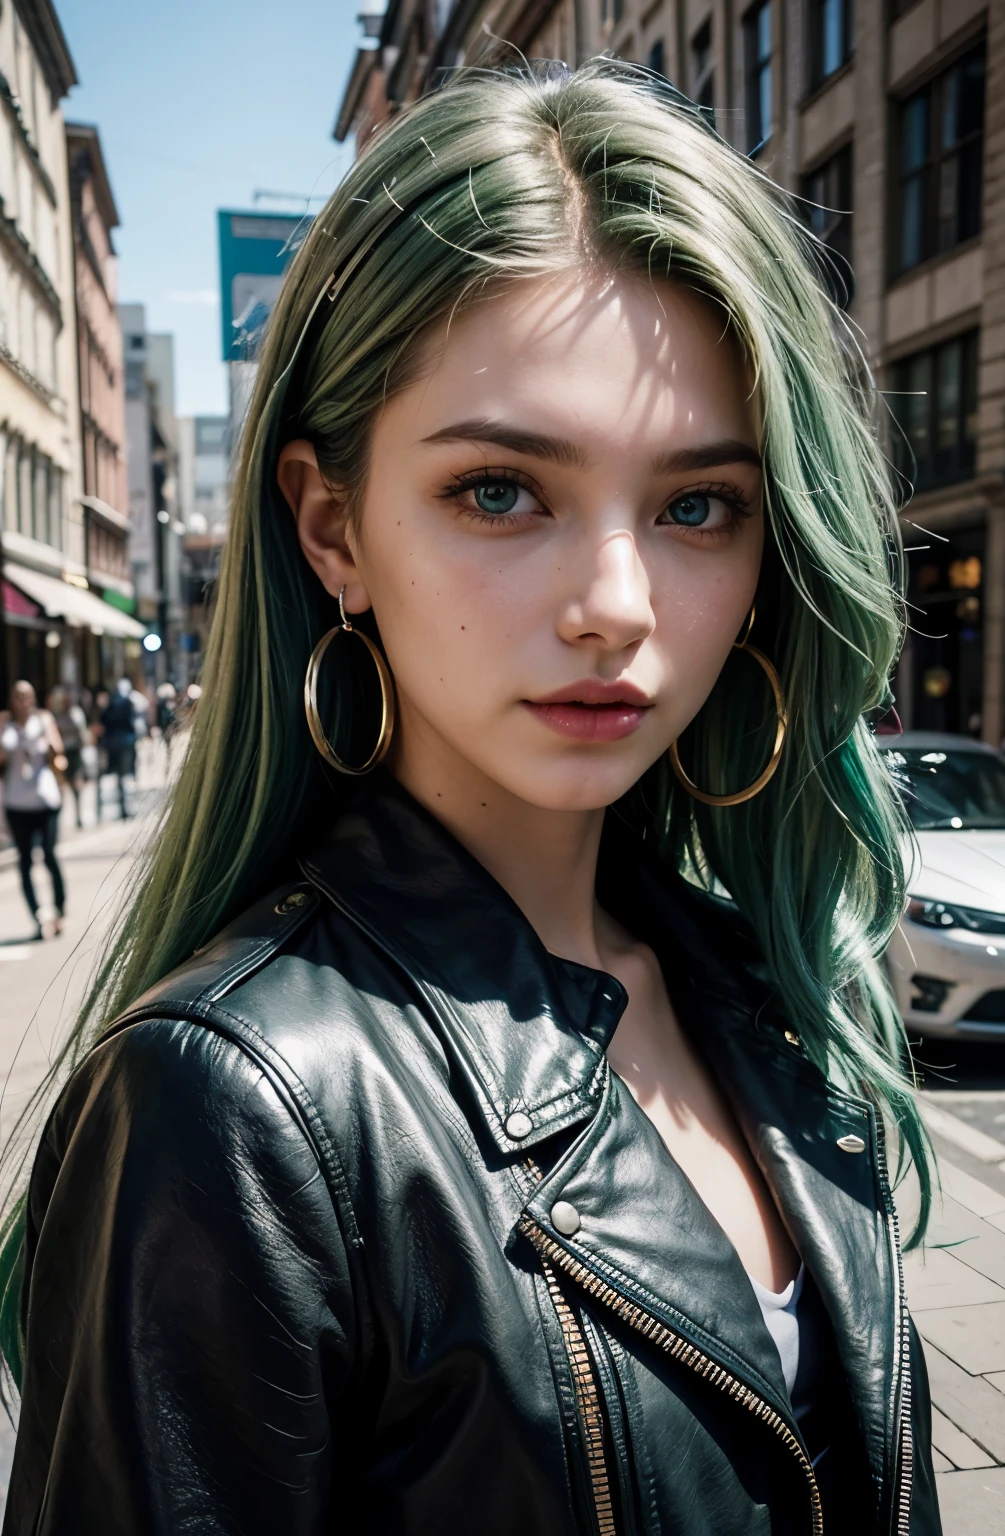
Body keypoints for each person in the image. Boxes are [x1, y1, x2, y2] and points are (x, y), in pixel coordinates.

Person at [0, 63, 940, 1535]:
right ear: (333, 529)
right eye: (502, 489)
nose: (616, 605)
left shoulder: (768, 986)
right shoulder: (236, 1110)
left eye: (700, 506)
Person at [0, 680, 67, 939]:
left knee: (49, 855)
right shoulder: (4, 723)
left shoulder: (43, 719)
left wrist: (45, 741)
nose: (22, 701)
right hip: (16, 801)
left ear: (34, 698)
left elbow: (57, 750)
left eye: (27, 696)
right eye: (17, 696)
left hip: (45, 798)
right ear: (11, 700)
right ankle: (38, 916)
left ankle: (59, 909)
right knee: (25, 861)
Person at [46, 686, 90, 830]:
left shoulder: (76, 714)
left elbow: (82, 734)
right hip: (61, 754)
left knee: (76, 785)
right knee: (61, 786)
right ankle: (60, 818)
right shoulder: (55, 715)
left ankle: (78, 815)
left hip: (74, 753)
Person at [96, 677, 136, 819]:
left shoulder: (110, 705)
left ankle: (124, 806)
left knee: (120, 776)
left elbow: (104, 723)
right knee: (127, 775)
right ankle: (126, 806)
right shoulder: (126, 703)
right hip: (125, 742)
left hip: (114, 743)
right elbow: (131, 722)